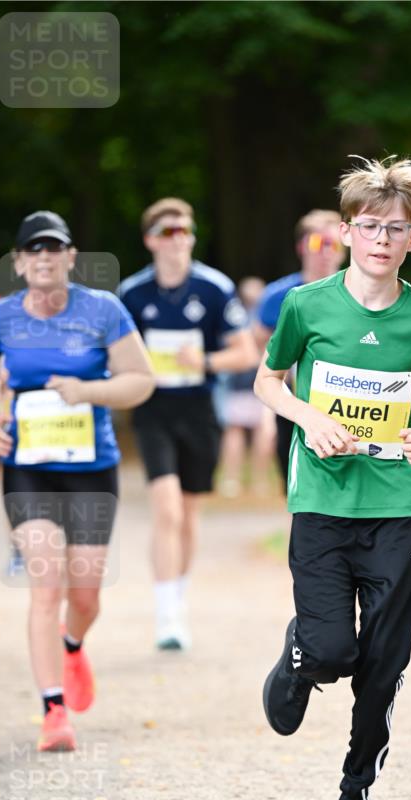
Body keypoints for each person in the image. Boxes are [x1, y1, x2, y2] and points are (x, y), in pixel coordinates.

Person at [254, 156, 411, 800]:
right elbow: (267, 381)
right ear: (346, 232)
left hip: (396, 505)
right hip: (321, 500)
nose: (381, 239)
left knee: (384, 664)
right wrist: (308, 417)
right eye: (369, 226)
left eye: (395, 228)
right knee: (334, 650)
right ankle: (303, 654)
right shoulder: (306, 306)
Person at [0, 210, 154, 751]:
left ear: (71, 257)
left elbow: (141, 380)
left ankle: (72, 644)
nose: (45, 257)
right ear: (19, 261)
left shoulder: (103, 310)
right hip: (28, 468)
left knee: (86, 596)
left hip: (91, 471)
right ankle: (53, 711)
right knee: (46, 583)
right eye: (34, 249)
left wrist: (88, 391)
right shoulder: (0, 317)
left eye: (54, 248)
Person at [118, 198, 256, 651]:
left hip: (199, 410)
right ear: (150, 240)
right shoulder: (132, 293)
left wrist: (205, 361)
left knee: (189, 514)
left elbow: (246, 353)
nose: (177, 239)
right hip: (153, 410)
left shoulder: (214, 288)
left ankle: (177, 595)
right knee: (167, 511)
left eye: (184, 231)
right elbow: (115, 355)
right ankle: (166, 614)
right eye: (167, 232)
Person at [253, 210, 346, 490]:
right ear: (301, 247)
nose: (326, 252)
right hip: (292, 406)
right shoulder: (278, 296)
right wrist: (267, 411)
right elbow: (261, 350)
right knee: (295, 488)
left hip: (345, 404)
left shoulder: (359, 294)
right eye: (318, 243)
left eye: (334, 244)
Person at [219, 276, 275, 498]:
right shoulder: (266, 319)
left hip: (239, 383)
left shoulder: (236, 318)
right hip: (261, 381)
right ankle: (259, 481)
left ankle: (232, 480)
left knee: (236, 431)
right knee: (260, 431)